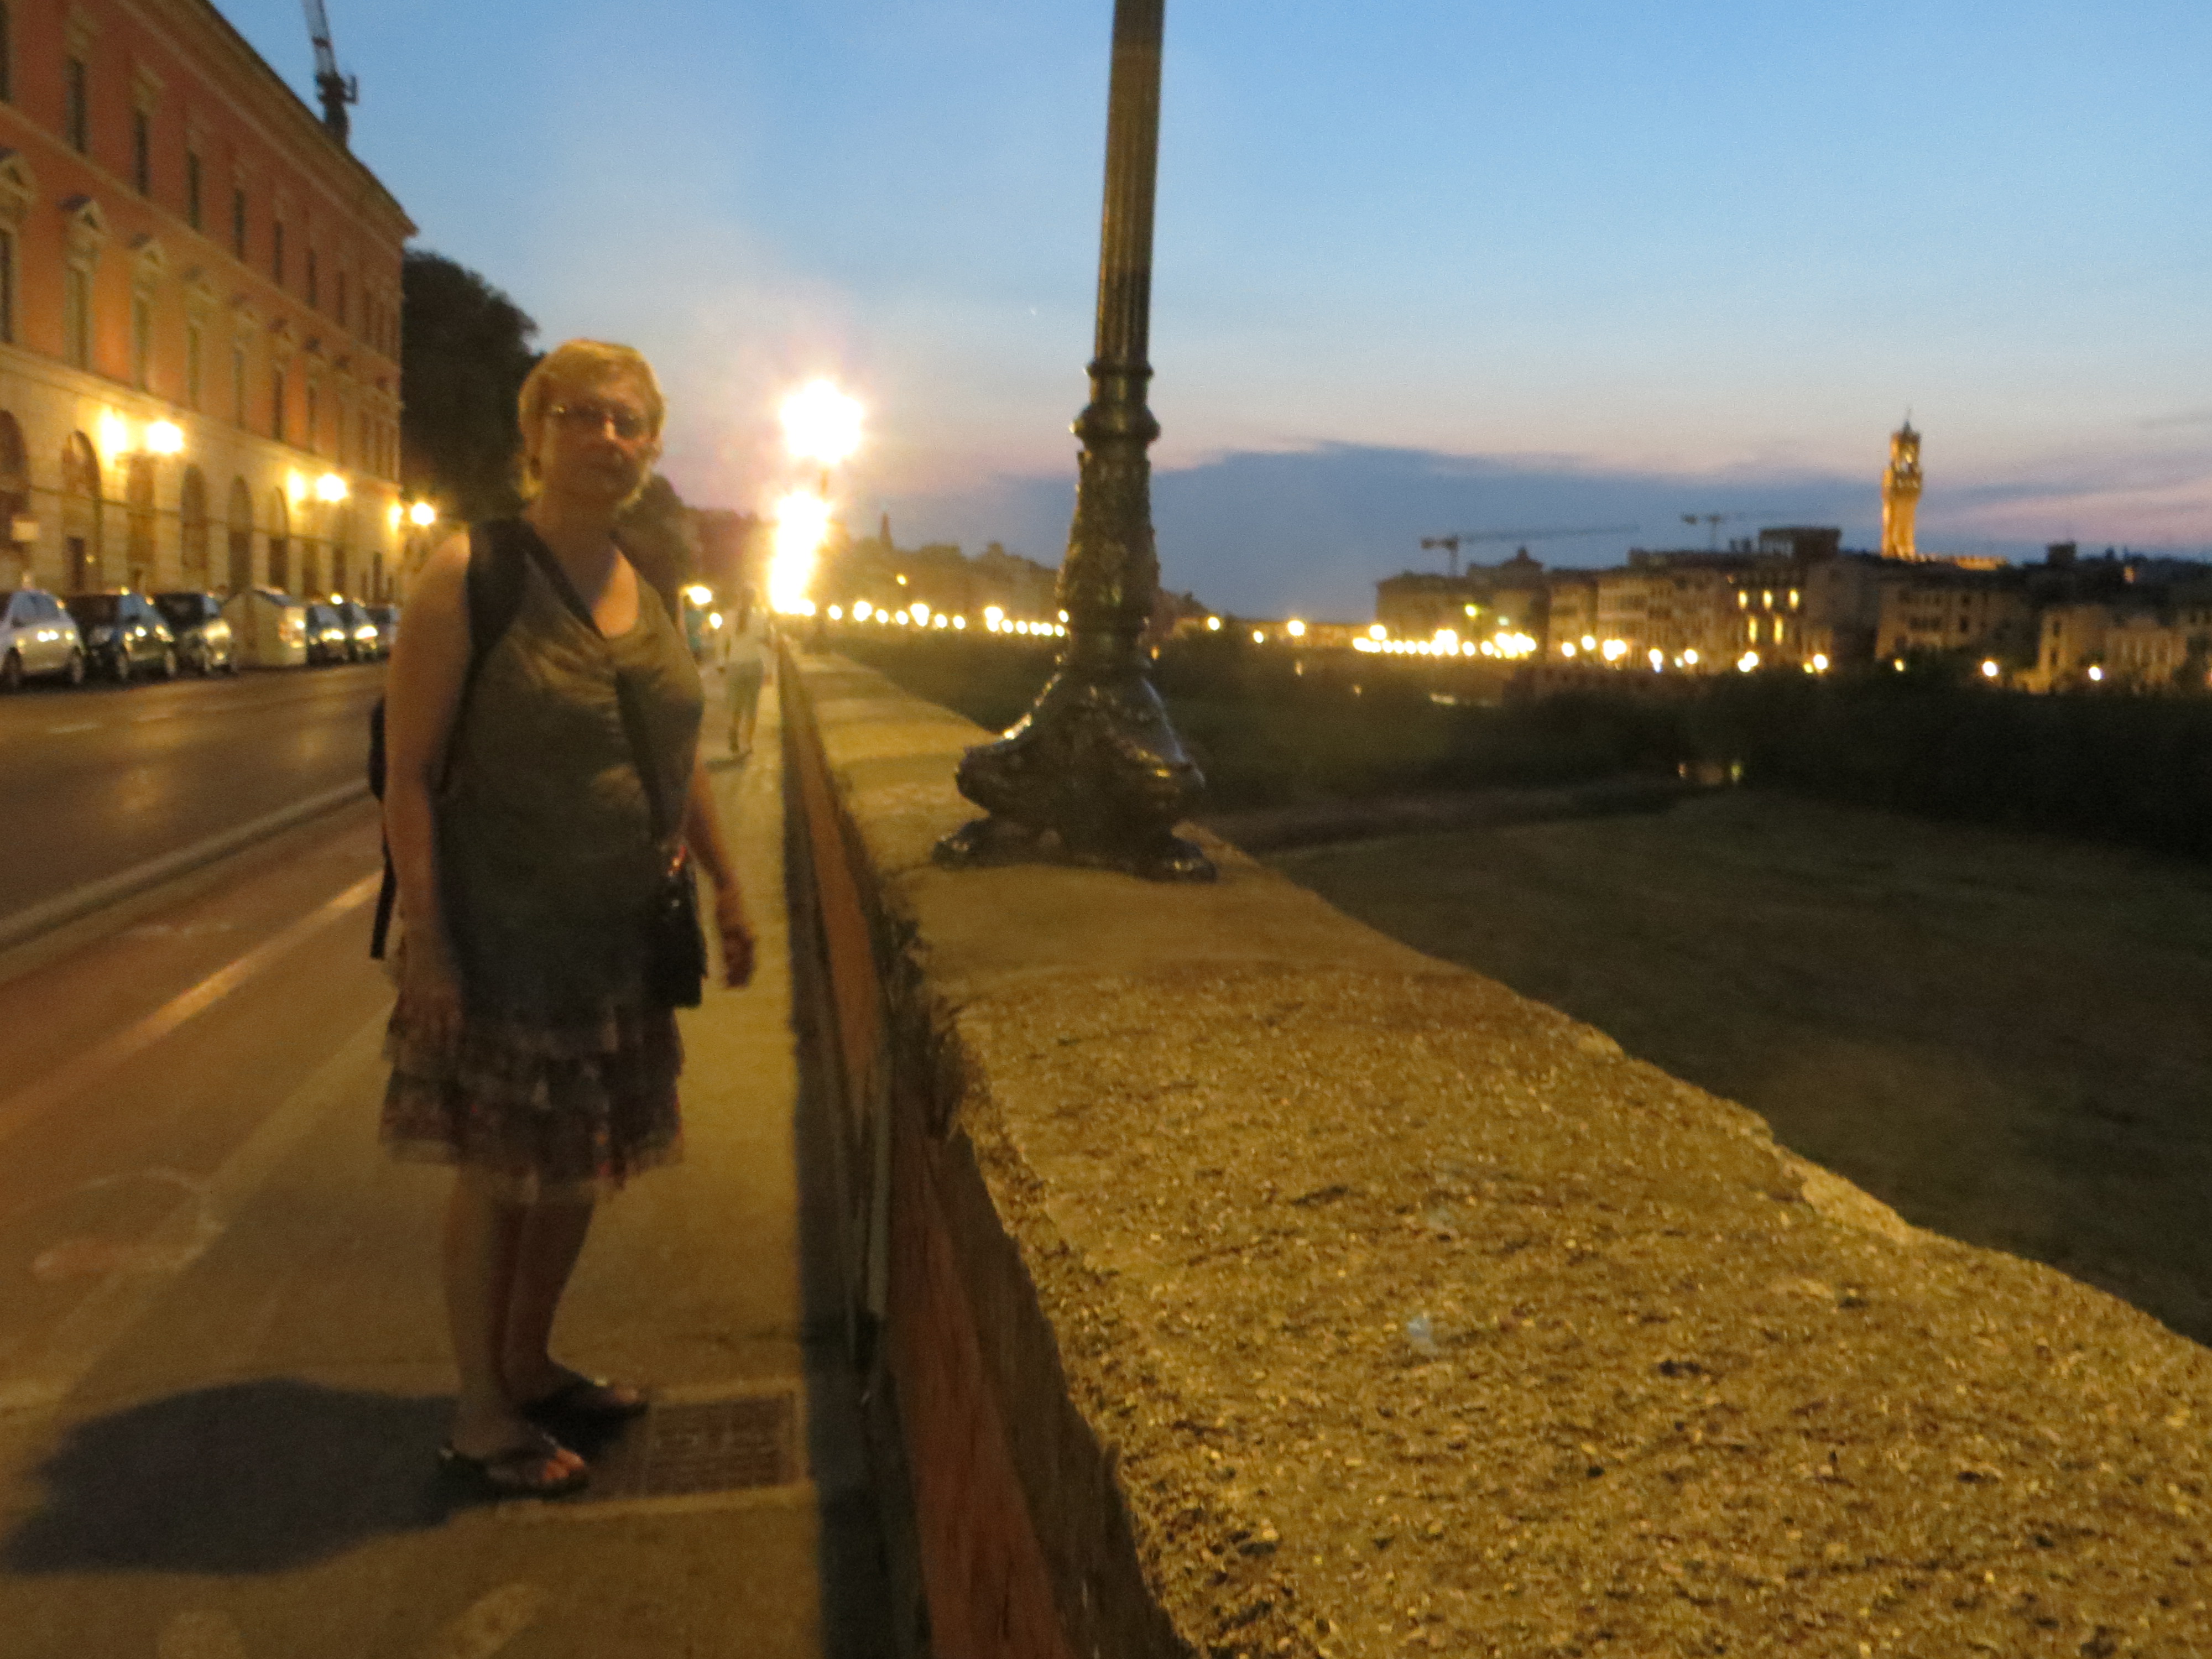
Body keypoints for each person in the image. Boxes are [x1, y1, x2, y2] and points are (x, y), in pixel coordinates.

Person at [380, 339, 756, 1498]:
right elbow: (408, 775)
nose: (606, 437)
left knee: (579, 1165)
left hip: (616, 945)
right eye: (580, 415)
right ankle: (480, 1415)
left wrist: (728, 881)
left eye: (628, 421)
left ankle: (529, 1363)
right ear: (535, 433)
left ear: (651, 446)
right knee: (502, 1173)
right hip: (500, 939)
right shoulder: (472, 572)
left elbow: (672, 753)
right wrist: (429, 942)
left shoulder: (651, 578)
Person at [720, 589, 770, 760]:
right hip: (752, 665)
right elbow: (765, 645)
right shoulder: (760, 618)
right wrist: (769, 670)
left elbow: (721, 641)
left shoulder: (729, 617)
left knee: (737, 705)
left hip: (737, 665)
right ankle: (746, 742)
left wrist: (721, 662)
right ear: (754, 599)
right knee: (750, 707)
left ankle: (735, 733)